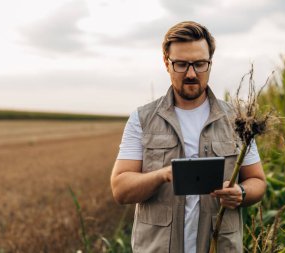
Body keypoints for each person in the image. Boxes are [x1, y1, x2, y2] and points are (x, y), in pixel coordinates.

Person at [110, 21, 266, 253]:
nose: (192, 73)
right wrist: (163, 175)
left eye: (200, 64)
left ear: (210, 64)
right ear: (166, 63)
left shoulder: (237, 121)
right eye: (181, 64)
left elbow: (258, 182)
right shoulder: (142, 119)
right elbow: (120, 189)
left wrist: (241, 193)